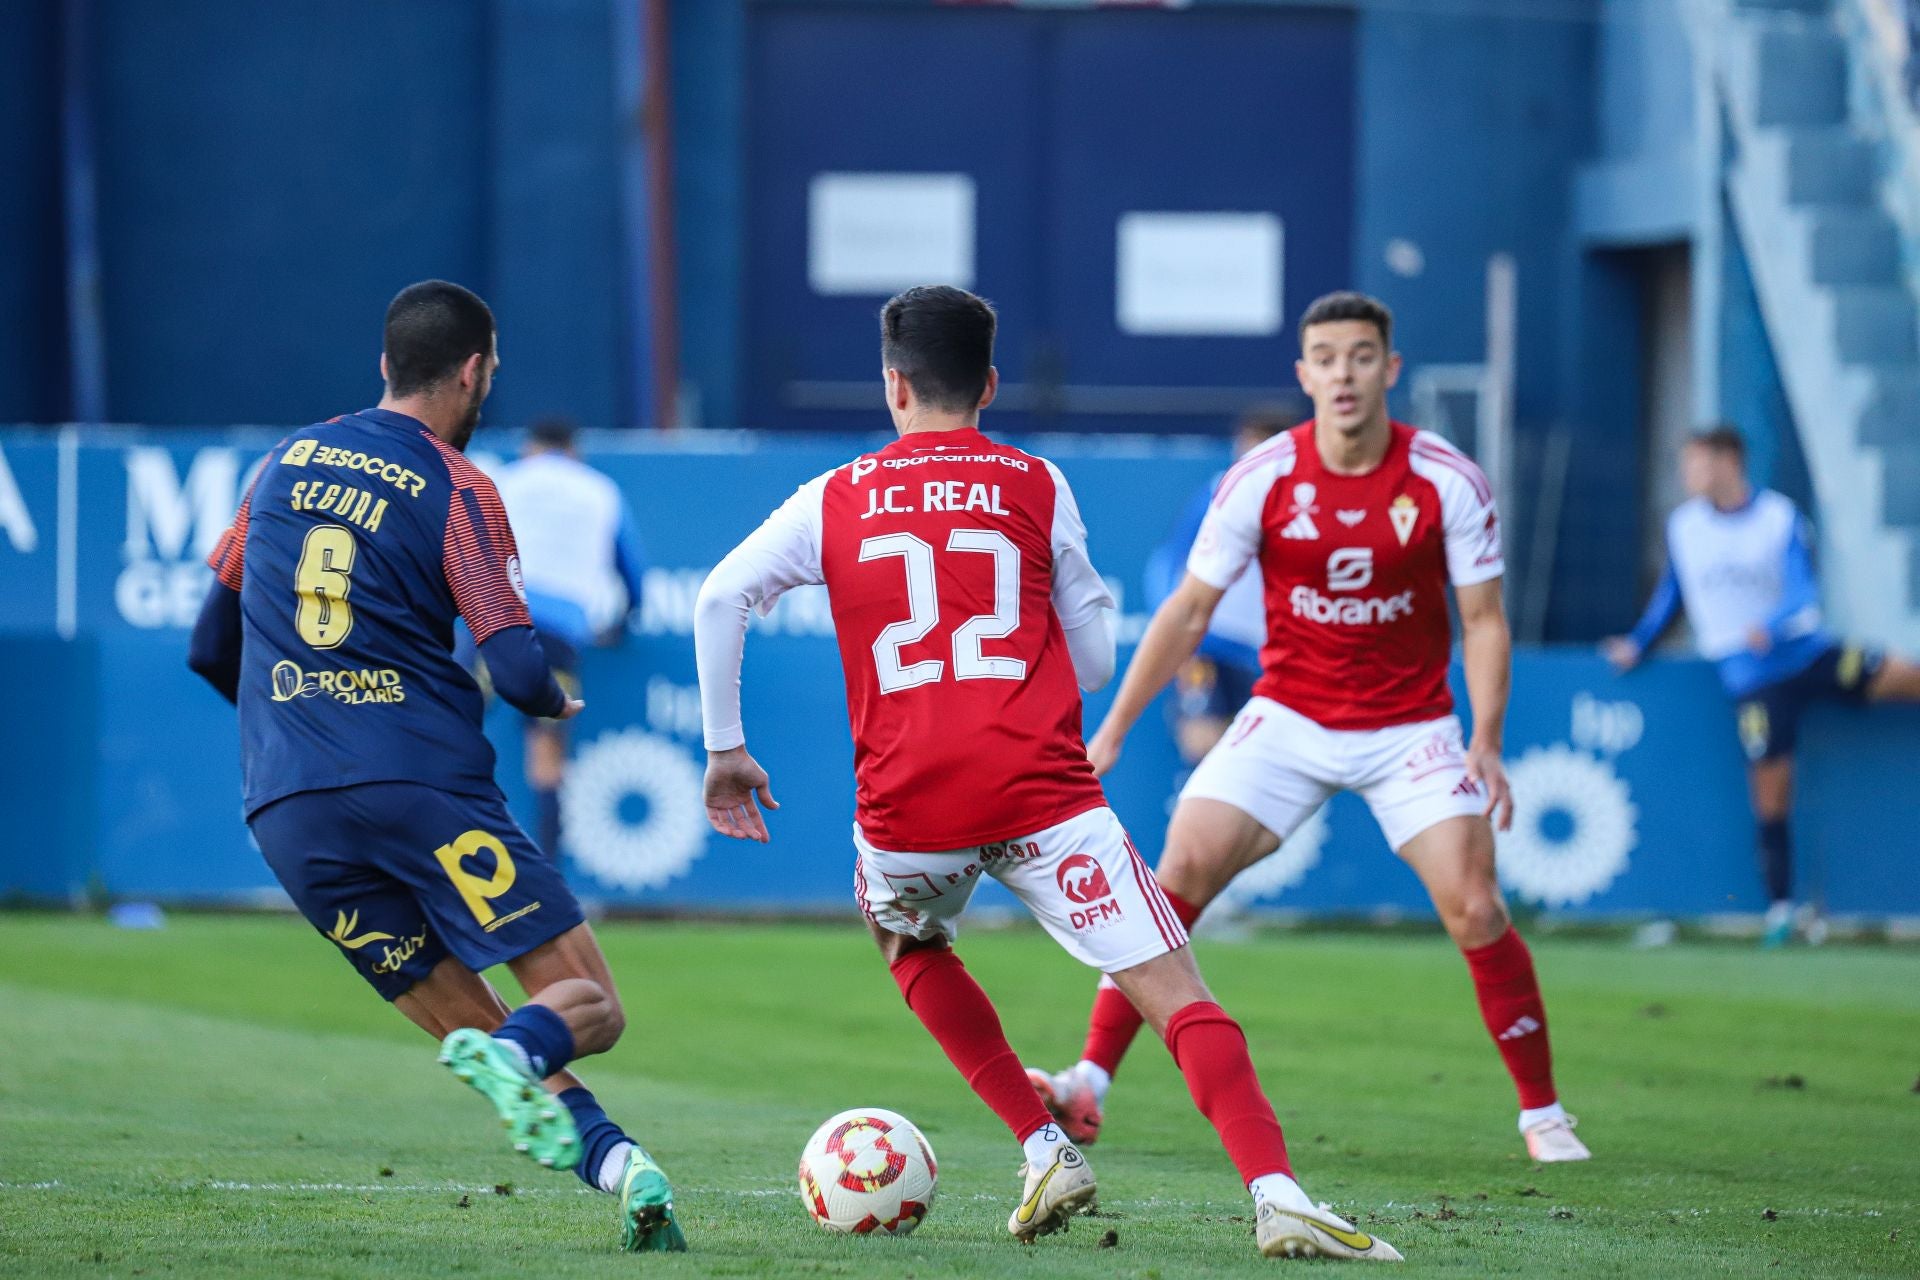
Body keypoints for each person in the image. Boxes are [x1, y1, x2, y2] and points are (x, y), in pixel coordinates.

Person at [693, 285, 1402, 1261]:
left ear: (893, 384)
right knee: (1174, 987)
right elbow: (1099, 654)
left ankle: (1041, 1144)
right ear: (988, 383)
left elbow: (722, 594)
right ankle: (1278, 1192)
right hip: (1041, 789)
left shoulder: (837, 495)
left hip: (909, 808)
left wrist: (727, 747)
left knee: (909, 944)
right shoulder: (1033, 482)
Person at [1029, 291, 1590, 1166]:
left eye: (1361, 356)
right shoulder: (1261, 478)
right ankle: (1086, 1085)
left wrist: (1486, 736)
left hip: (1411, 727)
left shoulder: (1446, 478)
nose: (1344, 374)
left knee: (1476, 906)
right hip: (1289, 716)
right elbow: (1186, 611)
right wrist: (1113, 728)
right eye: (1325, 358)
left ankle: (1543, 1112)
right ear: (1304, 375)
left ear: (1389, 370)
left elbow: (1484, 620)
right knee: (1174, 874)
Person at [186, 280, 684, 1252]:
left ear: (383, 365)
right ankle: (523, 1057)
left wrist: (303, 730)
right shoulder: (458, 481)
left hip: (287, 809)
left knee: (487, 1025)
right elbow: (516, 663)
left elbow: (212, 645)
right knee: (585, 1006)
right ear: (474, 370)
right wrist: (550, 702)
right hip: (418, 783)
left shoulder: (280, 465)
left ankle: (620, 1163)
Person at [1603, 425, 1920, 946]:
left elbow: (1801, 590)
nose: (1688, 475)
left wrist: (1770, 626)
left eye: (1696, 463)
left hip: (1805, 652)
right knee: (1771, 791)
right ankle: (1780, 909)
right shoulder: (1685, 526)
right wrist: (1639, 644)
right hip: (1751, 676)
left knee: (1900, 673)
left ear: (1729, 462)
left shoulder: (1779, 516)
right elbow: (1673, 595)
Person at [491, 416, 647, 859]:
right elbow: (632, 575)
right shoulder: (600, 490)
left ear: (530, 447)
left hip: (495, 619)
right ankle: (549, 872)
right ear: (574, 450)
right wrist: (623, 623)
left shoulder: (507, 480)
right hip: (559, 631)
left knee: (454, 724)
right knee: (547, 750)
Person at [1148, 403, 1301, 769]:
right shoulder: (1218, 494)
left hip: (1264, 652)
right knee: (1202, 744)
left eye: (1258, 449)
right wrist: (1179, 641)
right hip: (1208, 646)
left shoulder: (1302, 503)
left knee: (1255, 758)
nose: (1245, 458)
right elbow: (1169, 563)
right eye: (1243, 447)